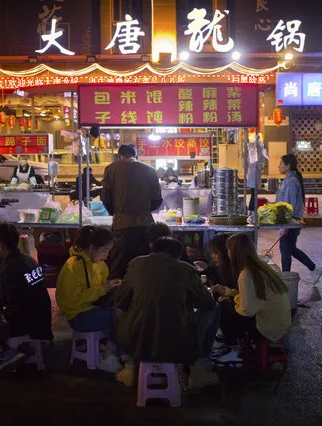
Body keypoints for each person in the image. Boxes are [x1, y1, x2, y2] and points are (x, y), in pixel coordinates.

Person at [115, 237, 216, 386]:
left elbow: (120, 299)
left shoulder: (136, 264)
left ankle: (129, 366)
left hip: (134, 342)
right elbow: (208, 303)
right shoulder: (185, 269)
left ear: (153, 250)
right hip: (179, 343)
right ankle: (198, 368)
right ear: (177, 256)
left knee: (118, 310)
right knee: (214, 309)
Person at [0, 223, 53, 376]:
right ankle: (4, 355)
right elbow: (21, 295)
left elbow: (16, 307)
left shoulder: (11, 268)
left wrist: (1, 317)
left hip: (28, 324)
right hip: (43, 319)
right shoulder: (29, 260)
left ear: (1, 246)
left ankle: (7, 353)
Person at [215, 233, 291, 363]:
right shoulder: (261, 266)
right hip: (281, 322)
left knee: (224, 307)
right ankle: (231, 341)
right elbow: (252, 297)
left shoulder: (246, 274)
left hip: (268, 327)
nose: (227, 252)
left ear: (234, 252)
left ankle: (233, 349)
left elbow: (247, 311)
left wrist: (230, 301)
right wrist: (229, 292)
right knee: (228, 303)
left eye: (228, 249)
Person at [55, 226, 122, 371]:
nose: (107, 255)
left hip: (92, 309)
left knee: (122, 311)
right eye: (104, 251)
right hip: (78, 315)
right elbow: (73, 299)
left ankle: (114, 352)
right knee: (118, 317)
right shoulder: (74, 266)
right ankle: (110, 356)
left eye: (108, 251)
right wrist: (102, 289)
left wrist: (110, 288)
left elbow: (98, 291)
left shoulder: (100, 265)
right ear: (92, 248)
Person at [102, 144, 163, 279]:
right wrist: (145, 210)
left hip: (122, 225)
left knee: (120, 266)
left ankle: (119, 296)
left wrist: (116, 212)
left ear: (119, 155)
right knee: (145, 265)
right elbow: (158, 200)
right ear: (135, 155)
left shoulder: (111, 168)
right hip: (146, 224)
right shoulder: (150, 169)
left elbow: (105, 197)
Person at [276, 154, 322, 284]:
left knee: (285, 250)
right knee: (290, 249)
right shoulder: (289, 180)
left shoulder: (291, 182)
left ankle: (286, 280)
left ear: (288, 165)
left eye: (281, 163)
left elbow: (289, 206)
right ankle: (314, 268)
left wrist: (285, 227)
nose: (278, 166)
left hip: (290, 222)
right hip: (290, 221)